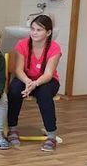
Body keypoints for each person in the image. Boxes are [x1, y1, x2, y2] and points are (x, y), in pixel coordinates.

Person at [7, 14, 62, 152]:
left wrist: (35, 84)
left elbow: (48, 74)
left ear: (48, 33)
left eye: (39, 30)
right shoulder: (22, 44)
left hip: (46, 80)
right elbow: (18, 70)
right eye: (32, 29)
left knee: (44, 94)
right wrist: (27, 81)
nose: (34, 33)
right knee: (14, 90)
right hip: (26, 78)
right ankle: (12, 129)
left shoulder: (54, 48)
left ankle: (51, 136)